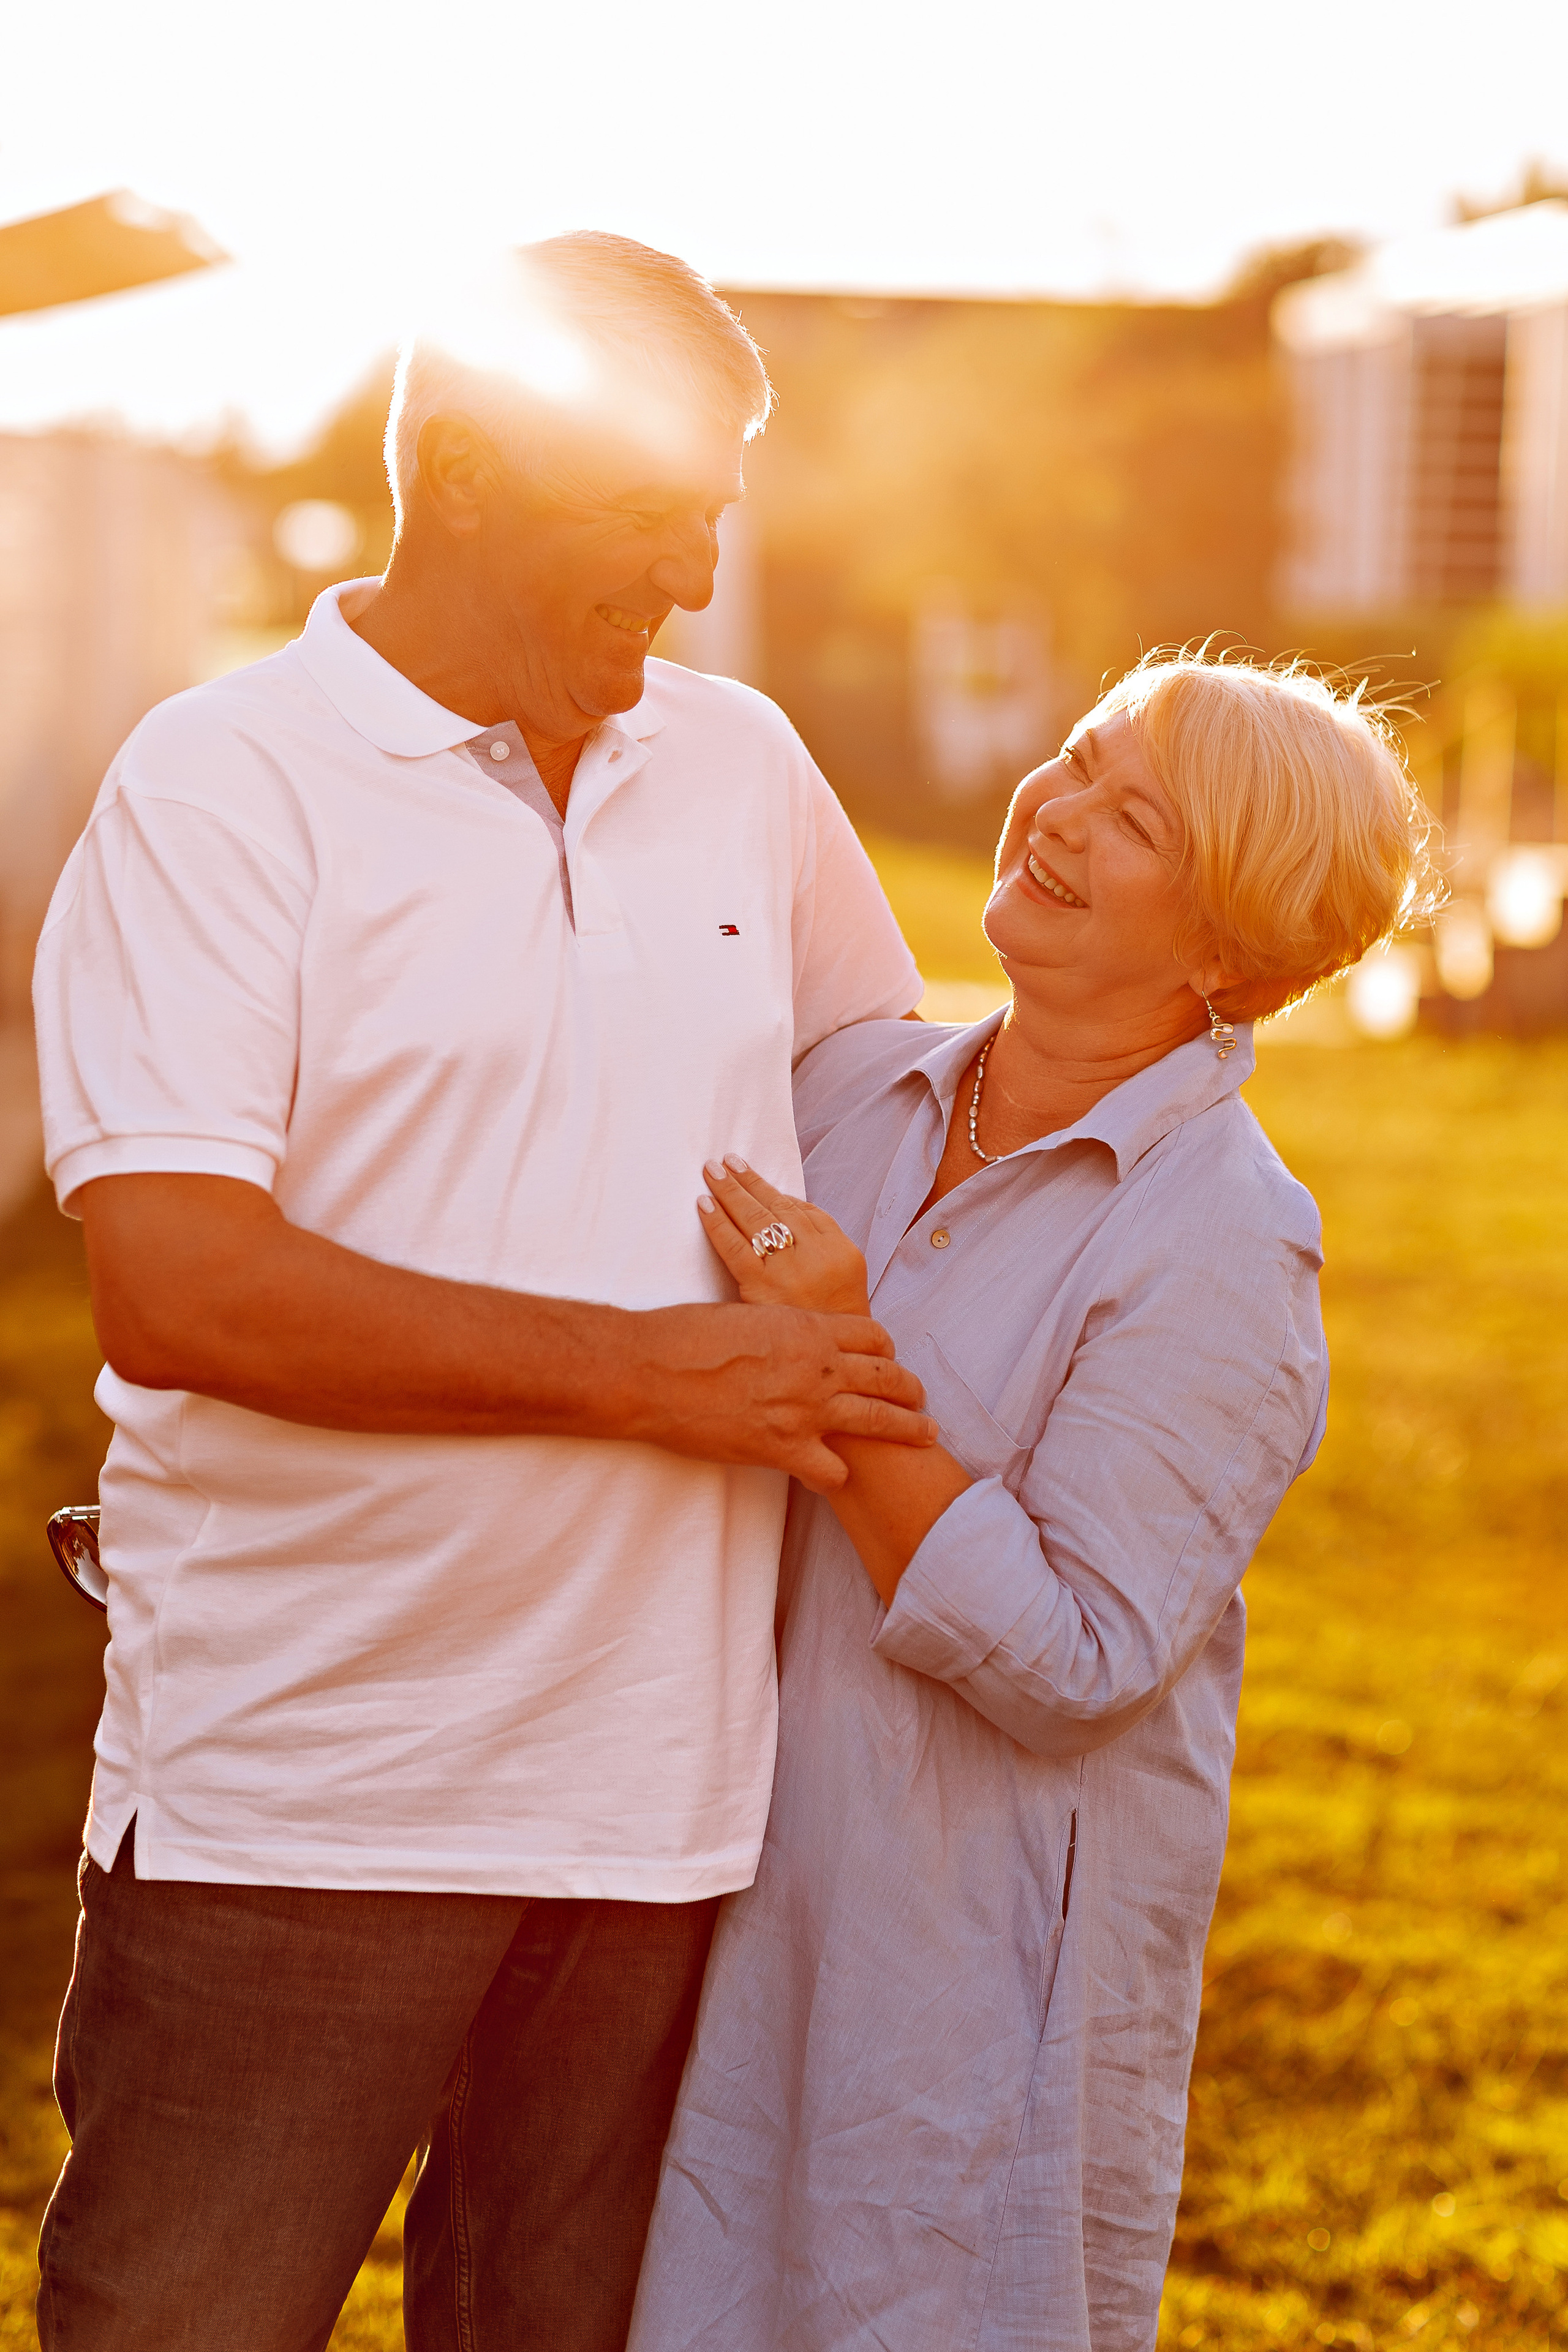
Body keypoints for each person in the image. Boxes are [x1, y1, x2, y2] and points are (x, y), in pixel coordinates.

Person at [29, 232, 937, 2352]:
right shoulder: (223, 784)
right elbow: (181, 1286)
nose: (693, 579)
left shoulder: (742, 770)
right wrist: (657, 1379)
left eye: (714, 517)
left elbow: (893, 1125)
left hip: (665, 1804)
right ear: (452, 471)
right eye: (645, 518)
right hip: (306, 1788)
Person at [628, 654, 1438, 2352]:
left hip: (966, 1970)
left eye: (1132, 816)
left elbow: (1079, 1652)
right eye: (1076, 761)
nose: (1057, 813)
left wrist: (837, 1355)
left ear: (1231, 951)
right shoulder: (850, 1095)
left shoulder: (1223, 1237)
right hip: (711, 1898)